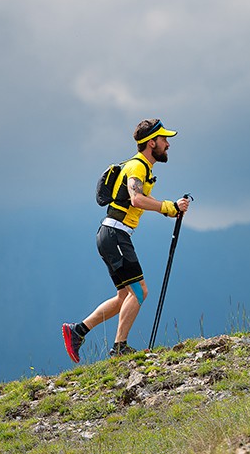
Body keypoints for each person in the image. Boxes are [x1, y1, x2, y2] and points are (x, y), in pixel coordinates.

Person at [62, 118, 191, 361]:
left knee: (125, 296)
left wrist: (171, 208)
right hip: (115, 234)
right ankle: (119, 347)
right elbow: (136, 199)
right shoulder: (137, 167)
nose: (168, 145)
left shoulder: (143, 168)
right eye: (164, 140)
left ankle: (77, 331)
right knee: (139, 292)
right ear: (151, 142)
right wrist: (169, 207)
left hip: (111, 234)